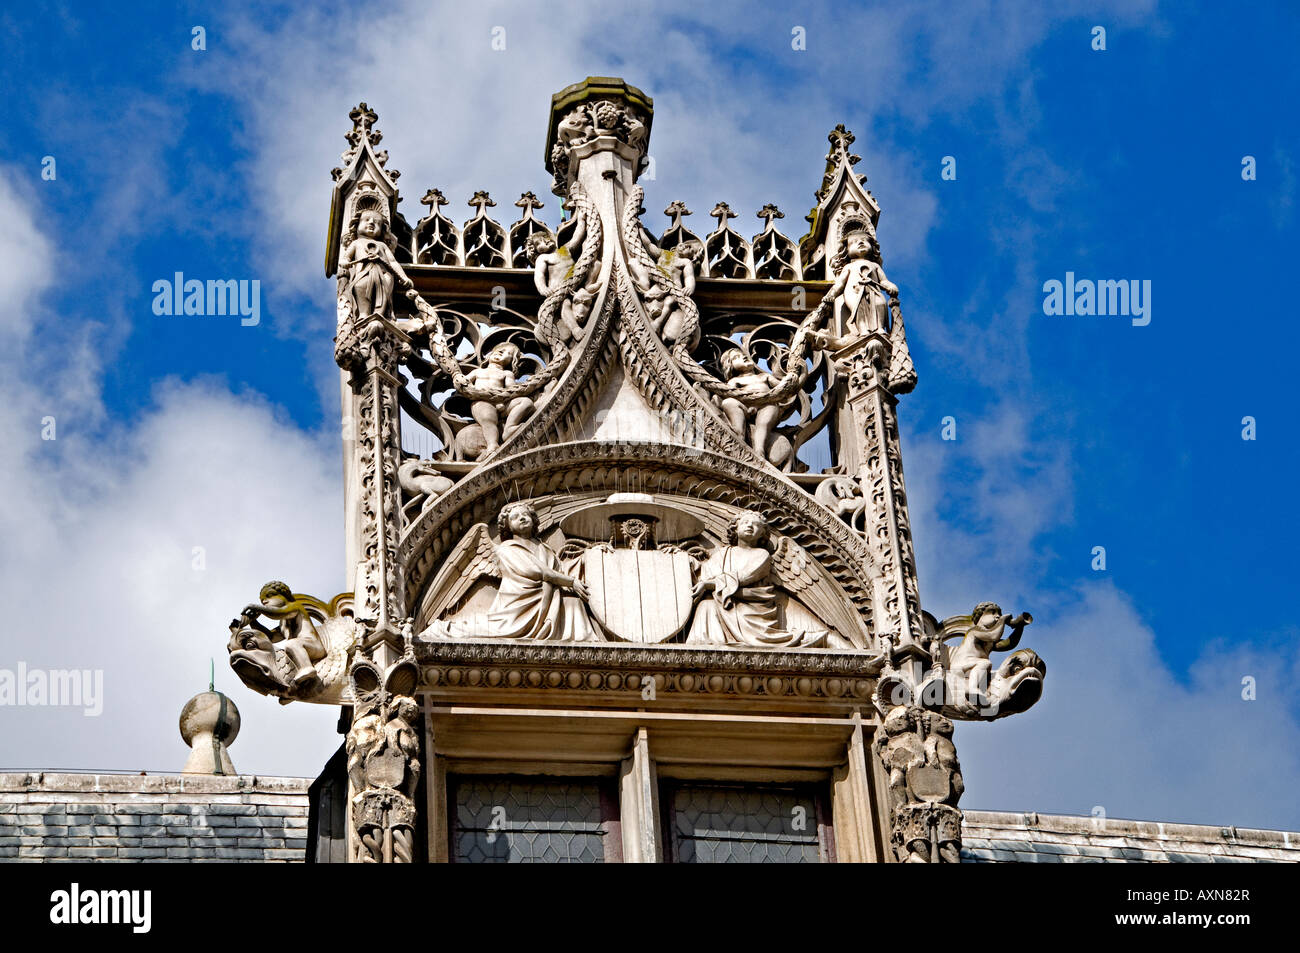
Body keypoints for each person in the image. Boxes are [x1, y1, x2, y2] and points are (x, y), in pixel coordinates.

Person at [687, 510, 823, 647]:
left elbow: (744, 577)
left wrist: (709, 584)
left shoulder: (761, 555)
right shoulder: (723, 553)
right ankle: (706, 644)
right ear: (735, 528)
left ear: (762, 534)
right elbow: (704, 574)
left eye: (756, 525)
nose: (750, 526)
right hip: (723, 600)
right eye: (745, 522)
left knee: (710, 602)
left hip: (750, 610)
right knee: (706, 605)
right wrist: (684, 558)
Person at [463, 342, 535, 451]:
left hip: (502, 402)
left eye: (508, 352)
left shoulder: (506, 374)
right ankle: (492, 444)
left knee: (526, 402)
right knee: (488, 418)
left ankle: (509, 428)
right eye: (499, 350)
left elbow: (512, 390)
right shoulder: (478, 371)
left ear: (512, 361)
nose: (501, 352)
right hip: (482, 401)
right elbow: (464, 383)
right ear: (489, 355)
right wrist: (458, 378)